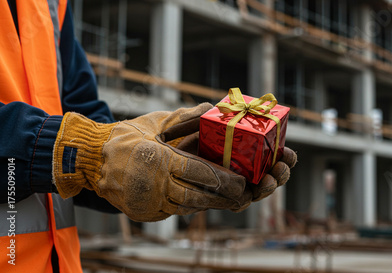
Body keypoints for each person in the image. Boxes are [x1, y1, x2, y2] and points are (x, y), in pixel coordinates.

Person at [0, 1, 297, 272]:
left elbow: (83, 112)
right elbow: (79, 146)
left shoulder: (50, 5)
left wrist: (140, 158)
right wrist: (86, 154)